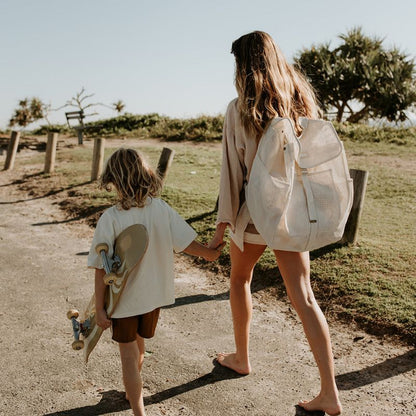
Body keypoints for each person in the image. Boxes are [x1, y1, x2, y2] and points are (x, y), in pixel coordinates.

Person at [208, 31, 342, 416]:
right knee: (305, 296)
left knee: (238, 279)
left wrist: (221, 227)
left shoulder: (239, 108)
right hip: (292, 213)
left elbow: (231, 175)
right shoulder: (302, 100)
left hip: (254, 213)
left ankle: (241, 357)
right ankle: (329, 393)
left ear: (243, 64)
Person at [87, 148, 223, 416]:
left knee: (127, 354)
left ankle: (138, 410)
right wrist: (209, 253)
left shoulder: (111, 218)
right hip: (153, 299)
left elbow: (100, 268)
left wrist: (100, 309)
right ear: (145, 174)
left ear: (113, 180)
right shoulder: (160, 209)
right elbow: (186, 243)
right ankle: (131, 390)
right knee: (139, 343)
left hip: (124, 302)